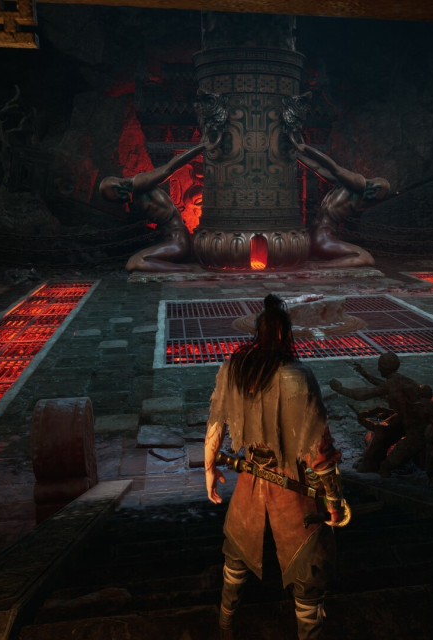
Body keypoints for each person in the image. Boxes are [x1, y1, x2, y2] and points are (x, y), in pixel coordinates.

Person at [204, 295, 344, 640]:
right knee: (308, 570)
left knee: (236, 560)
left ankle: (225, 625)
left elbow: (215, 424)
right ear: (284, 334)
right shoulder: (299, 376)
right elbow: (319, 448)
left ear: (259, 332)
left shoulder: (234, 368)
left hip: (250, 480)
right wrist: (334, 502)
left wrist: (208, 469)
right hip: (293, 489)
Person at [100, 131, 220, 272]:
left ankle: (187, 269)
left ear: (117, 190)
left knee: (134, 263)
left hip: (177, 240)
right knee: (137, 259)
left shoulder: (139, 183)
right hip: (170, 238)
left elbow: (170, 167)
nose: (120, 202)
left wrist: (201, 147)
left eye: (116, 199)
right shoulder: (136, 192)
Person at [288, 131, 390, 268]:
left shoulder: (358, 185)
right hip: (322, 238)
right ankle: (319, 267)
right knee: (366, 257)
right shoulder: (355, 186)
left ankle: (318, 266)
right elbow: (324, 168)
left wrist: (303, 150)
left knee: (366, 258)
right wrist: (300, 152)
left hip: (316, 236)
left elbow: (330, 168)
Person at [329, 353, 419, 473]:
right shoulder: (404, 381)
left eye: (380, 366)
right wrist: (364, 373)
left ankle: (371, 465)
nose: (378, 369)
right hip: (411, 421)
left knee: (377, 439)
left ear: (385, 368)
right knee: (378, 434)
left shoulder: (392, 384)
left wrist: (338, 388)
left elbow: (361, 395)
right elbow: (382, 384)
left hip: (408, 427)